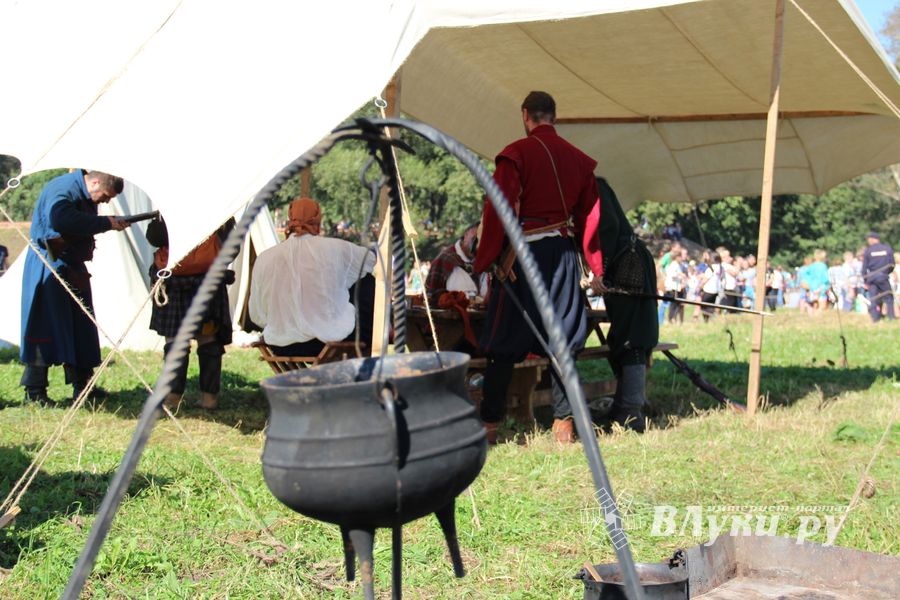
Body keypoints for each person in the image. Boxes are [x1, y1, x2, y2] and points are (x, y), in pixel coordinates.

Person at [472, 91, 602, 444]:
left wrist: (484, 260)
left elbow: (498, 209)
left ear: (525, 115)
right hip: (562, 256)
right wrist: (596, 266)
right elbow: (590, 219)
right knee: (563, 343)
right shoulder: (579, 161)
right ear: (554, 117)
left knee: (502, 344)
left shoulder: (516, 154)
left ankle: (489, 428)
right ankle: (563, 427)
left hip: (523, 259)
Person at [20, 170, 129, 403]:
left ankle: (84, 387)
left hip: (71, 264)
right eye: (105, 196)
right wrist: (106, 223)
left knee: (82, 326)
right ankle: (35, 391)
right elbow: (61, 220)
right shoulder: (64, 189)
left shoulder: (81, 191)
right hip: (48, 266)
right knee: (44, 328)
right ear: (95, 182)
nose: (106, 201)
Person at [249, 197, 376, 357]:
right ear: (318, 220)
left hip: (281, 344)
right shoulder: (334, 248)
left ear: (289, 218)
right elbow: (369, 260)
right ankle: (374, 340)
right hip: (325, 342)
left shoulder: (265, 258)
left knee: (355, 275)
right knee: (365, 279)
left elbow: (257, 314)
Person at [146, 216, 235, 410]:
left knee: (178, 341)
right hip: (205, 280)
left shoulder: (174, 200)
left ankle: (173, 397)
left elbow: (154, 236)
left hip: (178, 280)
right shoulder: (220, 208)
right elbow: (232, 248)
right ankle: (208, 397)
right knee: (207, 339)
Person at [592, 178, 658, 432]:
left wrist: (599, 270)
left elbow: (606, 227)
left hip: (626, 265)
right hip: (626, 262)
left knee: (631, 338)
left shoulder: (594, 186)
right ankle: (626, 407)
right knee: (624, 336)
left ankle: (630, 413)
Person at [424, 224, 484, 305]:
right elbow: (433, 294)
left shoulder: (482, 263)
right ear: (466, 234)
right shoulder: (446, 258)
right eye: (474, 239)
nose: (476, 245)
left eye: (481, 241)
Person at [861, 232, 895, 322]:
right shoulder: (887, 249)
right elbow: (892, 264)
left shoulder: (868, 251)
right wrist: (887, 273)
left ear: (873, 239)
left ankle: (875, 319)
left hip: (872, 278)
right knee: (888, 297)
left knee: (873, 298)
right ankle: (891, 317)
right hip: (883, 277)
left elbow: (864, 268)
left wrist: (865, 281)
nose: (868, 241)